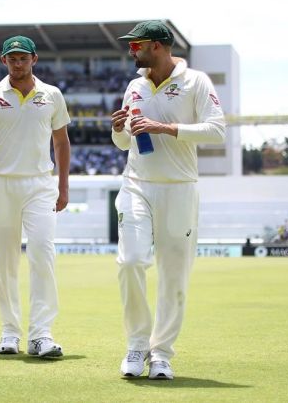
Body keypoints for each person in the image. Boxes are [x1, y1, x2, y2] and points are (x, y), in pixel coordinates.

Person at [111, 20, 226, 379]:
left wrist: (165, 128)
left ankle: (161, 354)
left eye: (137, 45)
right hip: (136, 184)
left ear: (158, 46)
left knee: (174, 276)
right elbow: (125, 143)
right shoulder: (134, 85)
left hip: (179, 187)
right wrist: (119, 130)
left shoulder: (196, 81)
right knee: (130, 262)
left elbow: (217, 130)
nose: (132, 51)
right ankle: (136, 344)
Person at [0, 35, 71, 358]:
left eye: (23, 58)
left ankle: (41, 334)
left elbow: (61, 143)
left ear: (34, 59)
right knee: (5, 259)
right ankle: (9, 332)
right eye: (12, 58)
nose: (18, 63)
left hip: (39, 184)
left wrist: (63, 186)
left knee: (42, 253)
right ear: (3, 61)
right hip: (2, 184)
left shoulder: (52, 95)